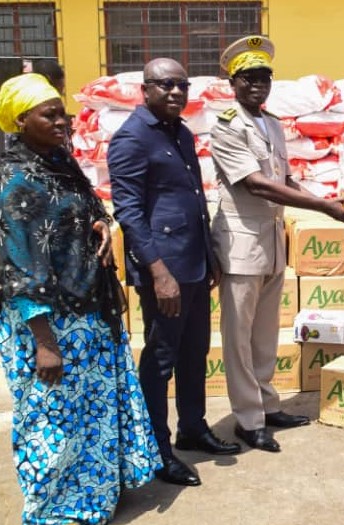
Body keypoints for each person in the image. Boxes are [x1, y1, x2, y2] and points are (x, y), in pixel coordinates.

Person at [0, 73, 161, 525]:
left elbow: (88, 207)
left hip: (87, 310)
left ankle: (93, 495)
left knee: (92, 410)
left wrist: (101, 225)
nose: (63, 121)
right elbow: (17, 273)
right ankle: (46, 514)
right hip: (46, 322)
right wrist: (46, 345)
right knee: (51, 416)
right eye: (50, 115)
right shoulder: (13, 184)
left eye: (62, 112)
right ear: (21, 122)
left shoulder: (58, 162)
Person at [210, 36, 344, 451]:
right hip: (241, 244)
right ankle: (247, 418)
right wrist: (324, 208)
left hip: (273, 242)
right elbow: (257, 184)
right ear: (233, 83)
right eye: (249, 78)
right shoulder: (225, 125)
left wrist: (325, 196)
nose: (258, 85)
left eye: (264, 78)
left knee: (265, 334)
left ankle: (268, 404)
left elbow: (283, 180)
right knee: (238, 338)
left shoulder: (272, 123)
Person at [109, 58, 242, 488]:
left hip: (194, 264)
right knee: (161, 359)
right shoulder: (132, 138)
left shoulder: (180, 133)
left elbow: (191, 202)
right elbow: (129, 212)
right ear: (144, 89)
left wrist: (210, 256)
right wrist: (158, 271)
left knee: (195, 351)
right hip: (164, 269)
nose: (175, 92)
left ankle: (193, 427)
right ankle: (159, 450)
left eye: (181, 85)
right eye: (165, 85)